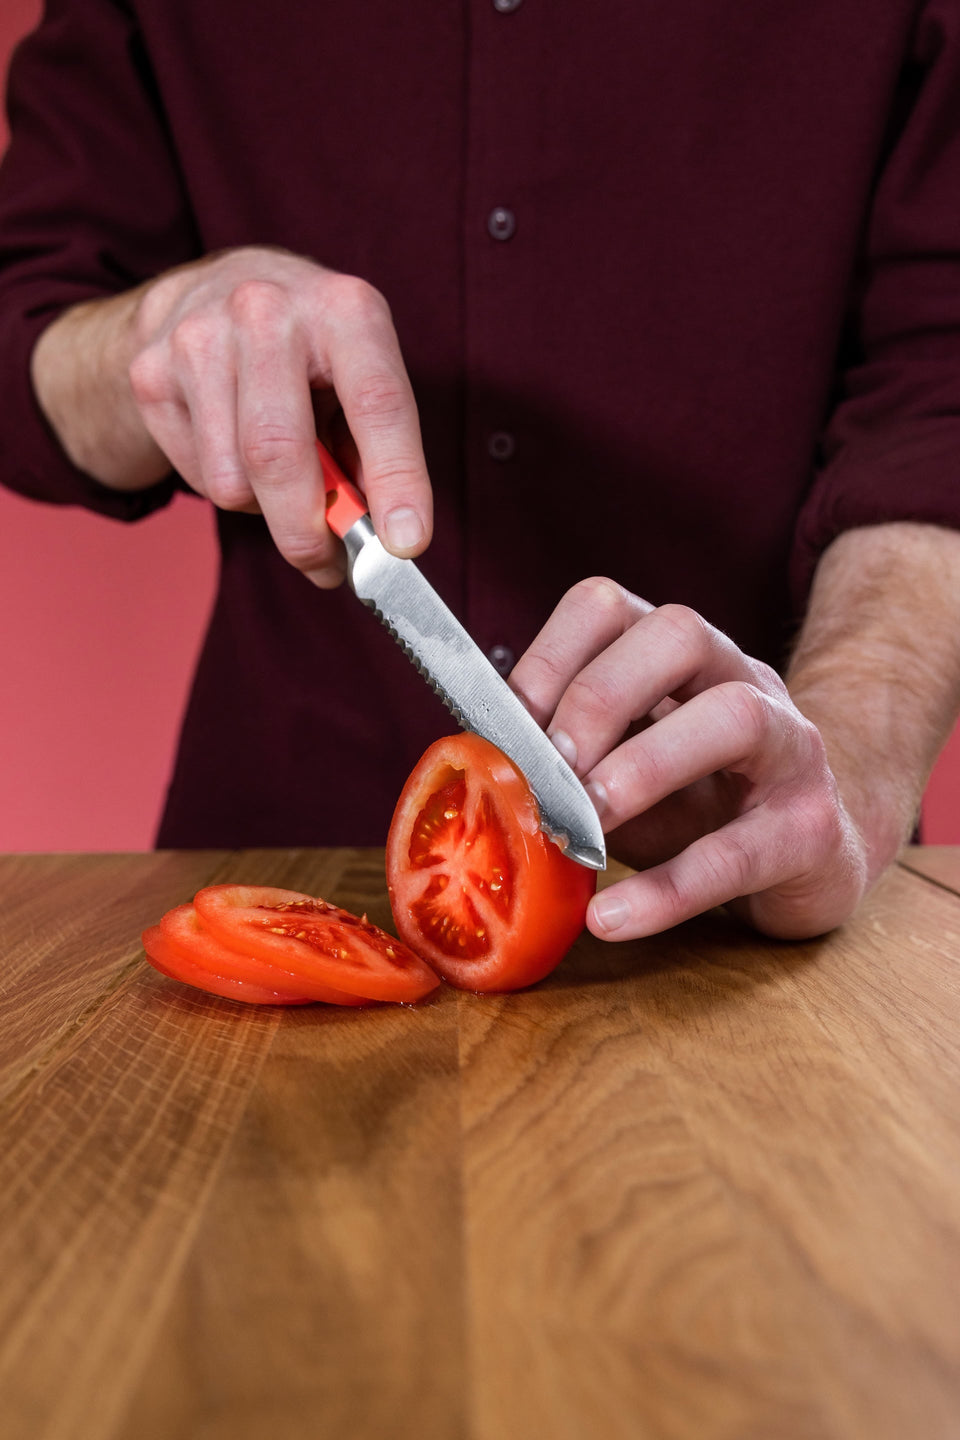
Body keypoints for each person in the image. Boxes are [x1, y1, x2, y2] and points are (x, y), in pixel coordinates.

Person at [2, 0, 960, 945]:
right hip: (270, 847)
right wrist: (159, 329)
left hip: (757, 909)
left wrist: (843, 779)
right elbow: (25, 332)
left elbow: (941, 387)